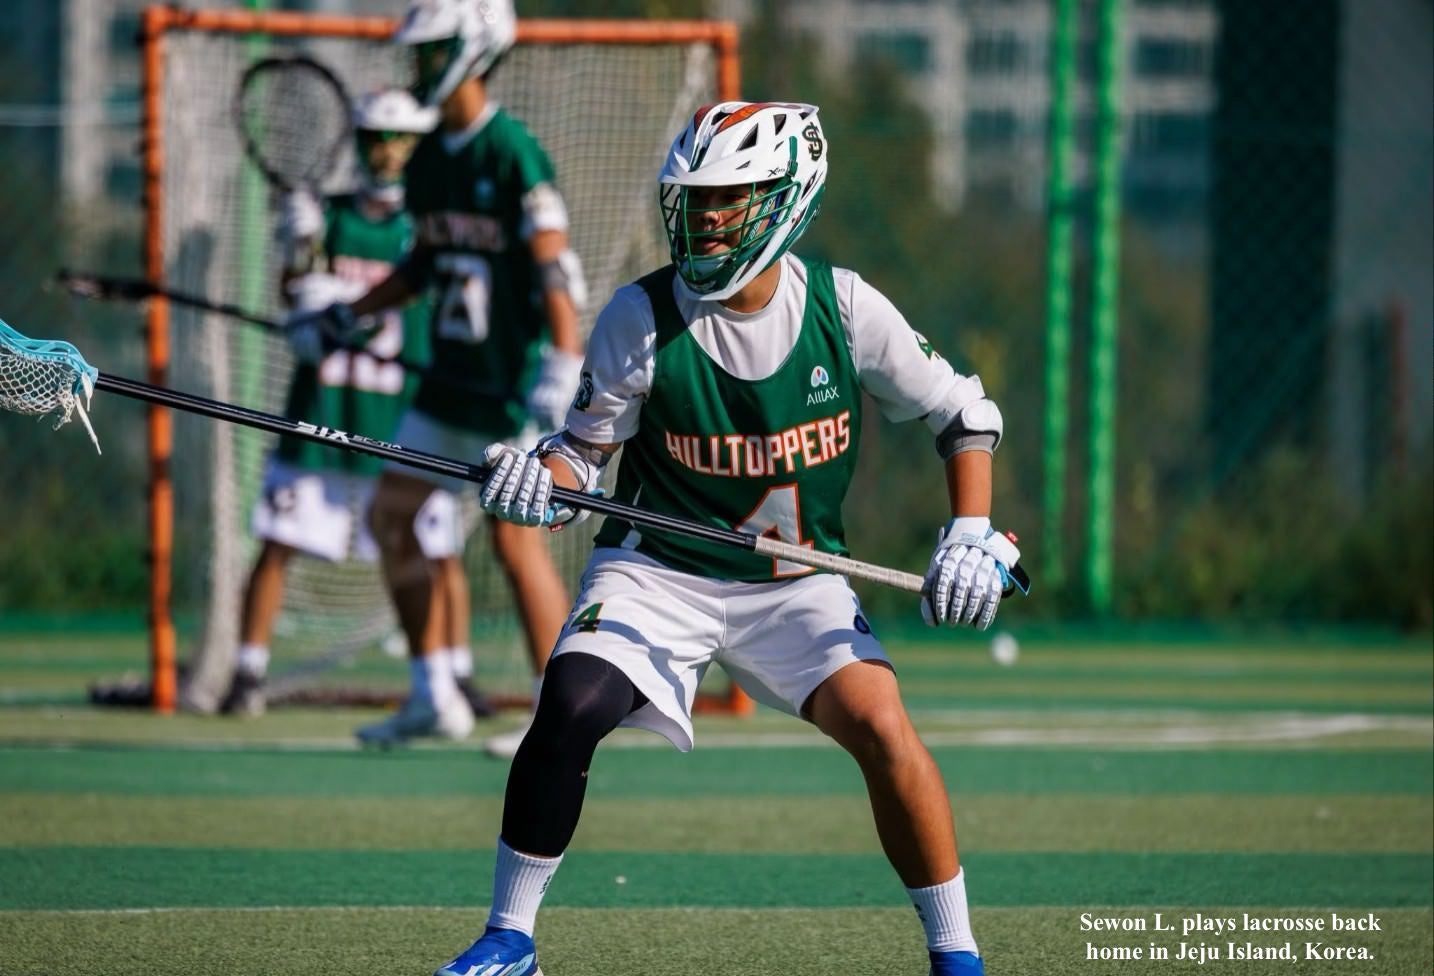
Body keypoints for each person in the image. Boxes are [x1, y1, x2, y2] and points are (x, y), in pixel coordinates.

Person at [435, 102, 1022, 976]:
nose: (704, 216)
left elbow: (964, 414)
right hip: (657, 571)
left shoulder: (843, 306)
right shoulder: (640, 318)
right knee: (570, 705)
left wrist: (972, 531)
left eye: (728, 197)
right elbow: (581, 461)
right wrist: (537, 482)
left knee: (884, 728)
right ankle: (509, 938)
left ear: (785, 197)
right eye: (695, 198)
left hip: (797, 583)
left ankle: (958, 957)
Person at [304, 0, 586, 751]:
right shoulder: (429, 158)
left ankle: (558, 715)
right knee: (391, 515)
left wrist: (564, 361)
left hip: (512, 384)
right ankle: (434, 693)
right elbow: (423, 264)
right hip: (448, 381)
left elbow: (557, 267)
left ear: (475, 47)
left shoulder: (511, 152)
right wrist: (351, 312)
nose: (420, 67)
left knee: (515, 540)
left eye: (433, 52)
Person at [219, 88, 437, 717]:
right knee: (277, 542)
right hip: (320, 414)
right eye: (374, 138)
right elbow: (296, 306)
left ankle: (447, 676)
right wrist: (300, 257)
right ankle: (247, 673)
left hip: (399, 423)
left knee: (431, 554)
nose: (387, 151)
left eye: (399, 140)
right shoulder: (328, 217)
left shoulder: (423, 229)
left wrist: (335, 294)